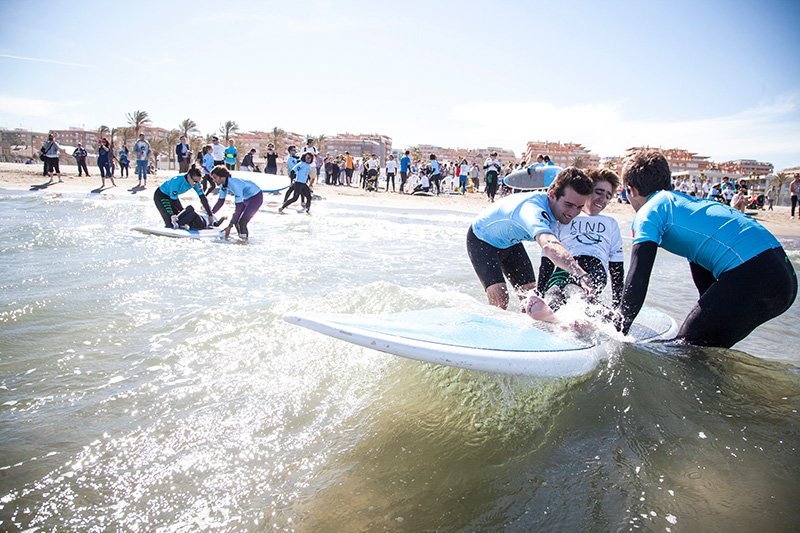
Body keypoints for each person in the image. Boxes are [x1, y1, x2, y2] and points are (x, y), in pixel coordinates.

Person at [616, 149, 797, 348]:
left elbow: (638, 277)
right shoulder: (687, 207)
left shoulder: (650, 211)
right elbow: (707, 287)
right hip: (784, 278)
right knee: (702, 347)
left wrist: (617, 330)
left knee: (683, 348)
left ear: (631, 190)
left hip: (754, 273)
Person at [467, 167, 595, 309]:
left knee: (530, 298)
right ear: (552, 195)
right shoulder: (532, 210)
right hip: (482, 239)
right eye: (569, 205)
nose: (573, 213)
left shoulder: (559, 209)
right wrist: (580, 273)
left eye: (579, 207)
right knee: (500, 300)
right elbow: (549, 245)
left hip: (510, 242)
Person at [537, 169, 624, 310]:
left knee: (573, 291)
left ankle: (589, 311)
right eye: (599, 192)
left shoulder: (611, 223)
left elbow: (617, 268)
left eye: (608, 196)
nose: (603, 199)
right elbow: (547, 259)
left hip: (595, 267)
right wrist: (539, 294)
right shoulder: (565, 217)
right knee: (552, 294)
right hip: (566, 264)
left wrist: (618, 307)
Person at [209, 166, 264, 240]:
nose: (213, 180)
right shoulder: (223, 185)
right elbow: (220, 202)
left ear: (222, 177)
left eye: (215, 178)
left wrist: (230, 226)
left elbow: (238, 207)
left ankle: (244, 242)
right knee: (236, 221)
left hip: (256, 197)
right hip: (246, 198)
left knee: (242, 222)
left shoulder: (235, 184)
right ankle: (241, 238)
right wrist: (210, 214)